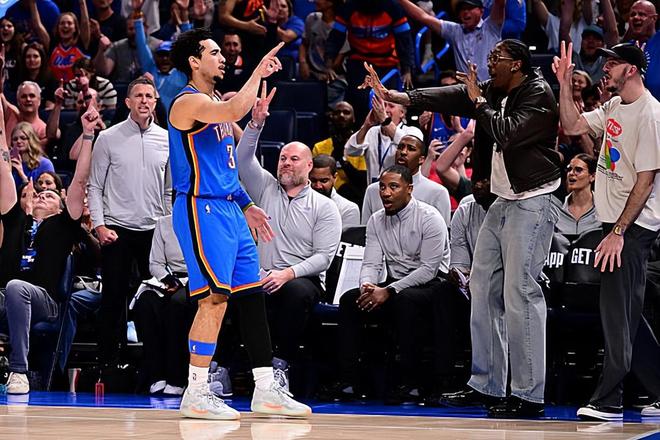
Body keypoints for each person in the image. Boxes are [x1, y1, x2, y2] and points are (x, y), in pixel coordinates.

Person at [360, 38, 562, 418]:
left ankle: (528, 394)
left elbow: (506, 132)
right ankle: (486, 384)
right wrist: (396, 96)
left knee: (520, 292)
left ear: (517, 64)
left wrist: (479, 102)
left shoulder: (538, 94)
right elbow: (452, 96)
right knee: (480, 288)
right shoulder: (494, 90)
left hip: (533, 198)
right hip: (501, 199)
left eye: (497, 58)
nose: (490, 63)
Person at [168, 28, 310, 419]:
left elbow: (227, 165)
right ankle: (196, 391)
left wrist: (247, 204)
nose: (222, 58)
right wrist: (258, 71)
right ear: (194, 61)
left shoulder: (213, 101)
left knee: (250, 296)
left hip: (230, 208)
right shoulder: (186, 103)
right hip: (201, 208)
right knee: (214, 298)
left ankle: (265, 388)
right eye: (214, 52)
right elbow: (234, 111)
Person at [554, 41, 660, 421]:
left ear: (630, 69)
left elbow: (646, 181)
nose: (605, 69)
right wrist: (564, 84)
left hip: (632, 227)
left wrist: (618, 232)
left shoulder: (650, 115)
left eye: (612, 63)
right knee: (628, 315)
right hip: (614, 224)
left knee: (615, 314)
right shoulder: (615, 106)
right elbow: (572, 126)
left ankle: (610, 399)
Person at [236, 93, 342, 393]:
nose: (286, 163)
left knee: (294, 293)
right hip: (262, 275)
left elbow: (323, 258)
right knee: (235, 288)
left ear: (309, 166)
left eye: (294, 159)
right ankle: (227, 368)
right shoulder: (265, 187)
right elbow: (243, 160)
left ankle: (280, 367)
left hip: (302, 278)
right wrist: (255, 125)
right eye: (283, 158)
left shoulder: (325, 207)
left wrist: (287, 274)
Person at [0, 100, 98, 394]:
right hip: (5, 296)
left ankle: (19, 371)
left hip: (44, 301)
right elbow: (3, 167)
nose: (43, 194)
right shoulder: (17, 219)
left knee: (17, 287)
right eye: (40, 193)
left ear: (61, 206)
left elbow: (80, 180)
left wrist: (88, 135)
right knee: (11, 289)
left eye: (51, 194)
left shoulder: (64, 225)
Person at [332, 165, 449, 403]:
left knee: (406, 301)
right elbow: (371, 263)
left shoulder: (430, 218)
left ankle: (411, 383)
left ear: (409, 189)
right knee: (350, 300)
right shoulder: (376, 220)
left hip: (434, 284)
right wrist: (367, 287)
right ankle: (349, 382)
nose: (385, 193)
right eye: (382, 187)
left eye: (393, 187)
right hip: (395, 284)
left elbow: (429, 269)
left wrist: (388, 291)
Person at [87, 77, 171, 380]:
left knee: (156, 298)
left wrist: (167, 228)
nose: (144, 100)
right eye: (139, 96)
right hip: (117, 229)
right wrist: (99, 225)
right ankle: (107, 364)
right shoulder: (108, 137)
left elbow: (169, 190)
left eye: (149, 96)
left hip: (154, 231)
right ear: (127, 102)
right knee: (113, 296)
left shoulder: (167, 139)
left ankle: (155, 365)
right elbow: (94, 186)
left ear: (155, 101)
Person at [132, 214, 195, 396]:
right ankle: (156, 375)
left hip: (198, 278)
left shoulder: (207, 220)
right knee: (146, 302)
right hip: (169, 279)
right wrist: (168, 280)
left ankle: (177, 378)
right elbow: (155, 263)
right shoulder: (164, 223)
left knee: (178, 304)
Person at [361, 126, 451, 226]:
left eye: (411, 149)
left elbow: (442, 232)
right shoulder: (373, 190)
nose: (403, 152)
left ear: (421, 159)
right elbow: (364, 231)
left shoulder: (438, 192)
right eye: (400, 147)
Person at [398, 0, 504, 81]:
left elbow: (500, 3)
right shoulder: (455, 30)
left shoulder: (491, 26)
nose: (465, 12)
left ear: (481, 11)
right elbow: (423, 17)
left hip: (493, 89)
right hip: (467, 93)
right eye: (462, 9)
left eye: (470, 8)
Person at [344, 95, 409, 185]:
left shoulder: (412, 132)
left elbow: (406, 144)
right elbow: (350, 151)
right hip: (373, 189)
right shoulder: (372, 131)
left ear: (402, 113)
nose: (385, 110)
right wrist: (366, 126)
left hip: (399, 189)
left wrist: (384, 119)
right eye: (383, 105)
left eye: (391, 106)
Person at [552, 153, 600, 236]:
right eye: (569, 169)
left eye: (578, 170)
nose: (571, 173)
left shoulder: (602, 210)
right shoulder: (556, 208)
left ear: (592, 176)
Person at [310, 154, 360, 229]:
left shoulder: (348, 209)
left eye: (324, 181)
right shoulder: (298, 204)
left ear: (335, 178)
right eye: (313, 180)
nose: (318, 186)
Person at [9, 122, 54, 187]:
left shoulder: (45, 164)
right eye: (15, 139)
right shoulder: (8, 163)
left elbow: (47, 190)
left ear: (31, 140)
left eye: (23, 138)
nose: (18, 141)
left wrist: (21, 173)